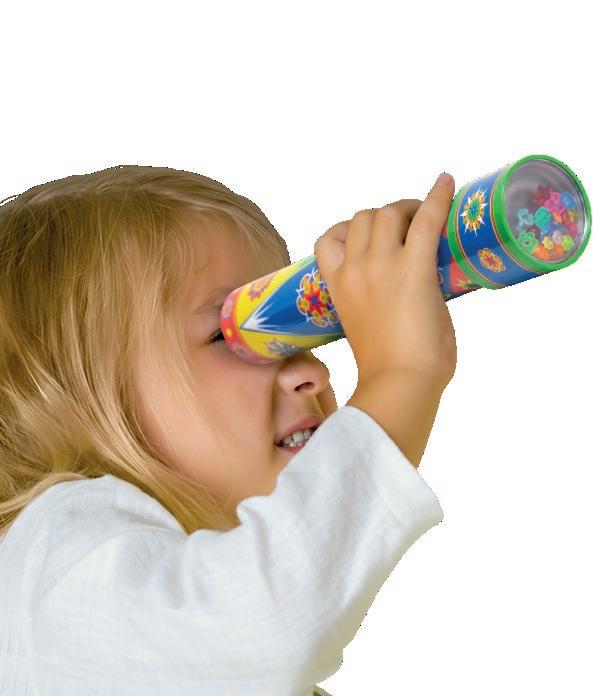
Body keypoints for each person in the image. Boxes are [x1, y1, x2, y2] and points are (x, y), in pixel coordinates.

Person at [0, 165, 457, 695]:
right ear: (76, 394)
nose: (313, 373)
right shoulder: (53, 564)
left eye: (295, 333)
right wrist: (401, 373)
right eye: (232, 334)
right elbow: (256, 627)